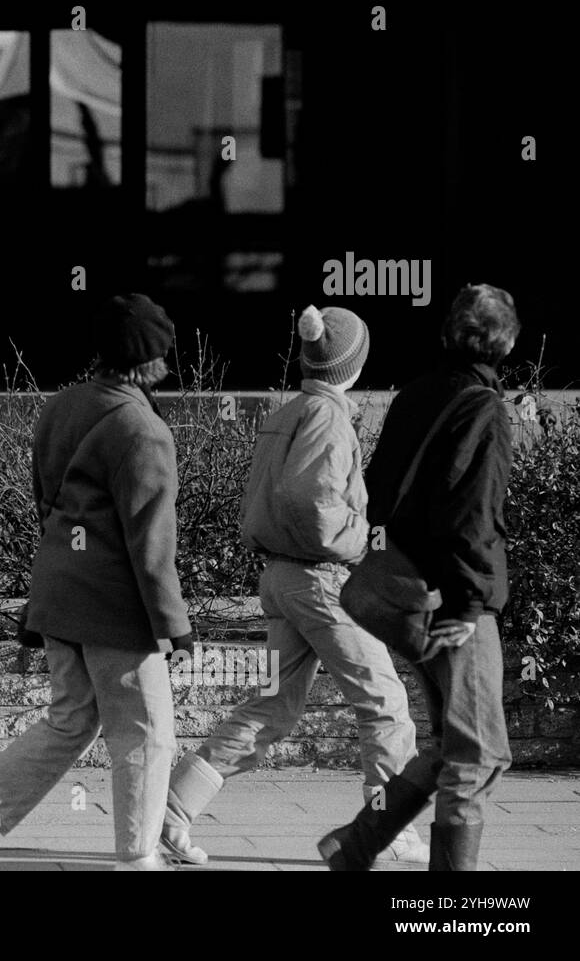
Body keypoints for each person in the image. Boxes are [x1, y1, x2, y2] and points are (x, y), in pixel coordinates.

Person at [0, 294, 193, 870]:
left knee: (72, 717)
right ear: (152, 360)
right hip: (113, 606)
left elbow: (47, 503)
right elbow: (152, 544)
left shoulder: (62, 406)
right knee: (147, 735)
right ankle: (136, 858)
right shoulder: (143, 429)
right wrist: (173, 624)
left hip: (57, 591)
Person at [160, 306, 428, 866]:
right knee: (385, 703)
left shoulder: (289, 411)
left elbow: (274, 501)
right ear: (353, 364)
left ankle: (173, 808)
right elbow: (314, 505)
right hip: (321, 580)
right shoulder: (330, 418)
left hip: (281, 577)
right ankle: (388, 829)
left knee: (273, 706)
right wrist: (364, 538)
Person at [318, 284, 518, 871]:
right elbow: (475, 517)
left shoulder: (416, 396)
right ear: (505, 341)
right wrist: (470, 603)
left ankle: (356, 843)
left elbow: (380, 499)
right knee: (478, 754)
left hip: (407, 593)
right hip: (451, 602)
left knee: (455, 743)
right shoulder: (482, 408)